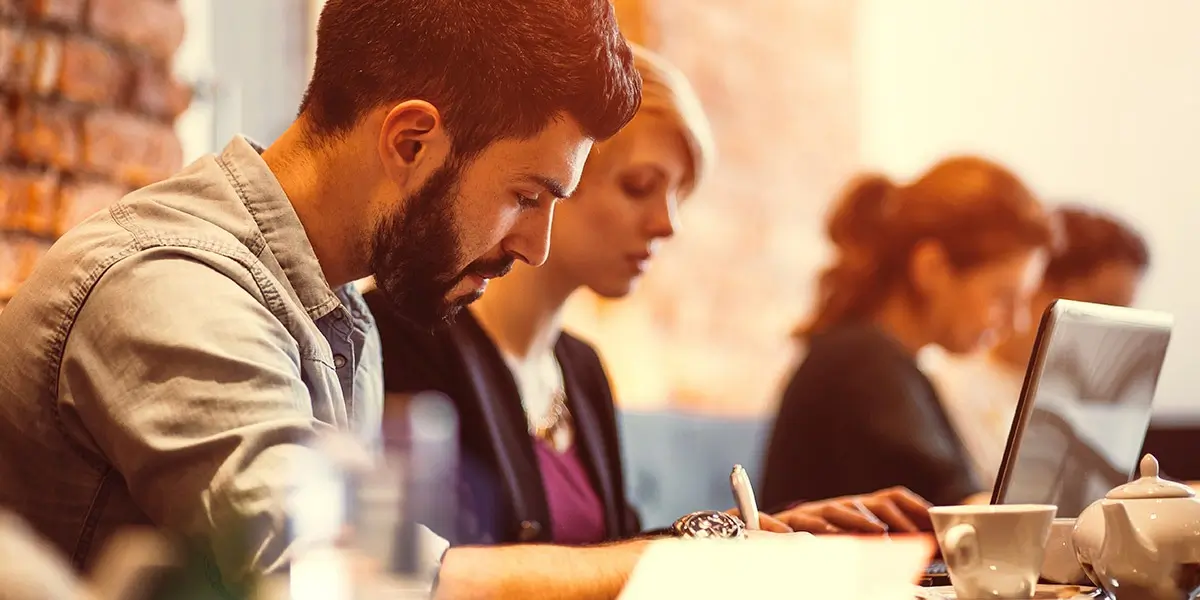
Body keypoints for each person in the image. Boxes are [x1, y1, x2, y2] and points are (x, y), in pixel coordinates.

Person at [0, 0, 685, 596]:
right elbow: (321, 578)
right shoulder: (171, 285)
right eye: (527, 197)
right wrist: (674, 568)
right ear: (411, 141)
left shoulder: (341, 315)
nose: (535, 246)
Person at [364, 44, 933, 547]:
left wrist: (762, 533)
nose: (668, 225)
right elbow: (443, 574)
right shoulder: (408, 333)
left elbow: (611, 556)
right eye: (640, 188)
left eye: (680, 195)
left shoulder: (580, 370)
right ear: (560, 174)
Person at [760, 156, 1057, 510]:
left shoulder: (884, 360)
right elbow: (962, 513)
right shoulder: (863, 363)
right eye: (1003, 296)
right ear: (931, 267)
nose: (1019, 322)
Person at [922, 204, 1150, 487]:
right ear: (1040, 286)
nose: (1114, 331)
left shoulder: (1083, 396)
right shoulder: (944, 380)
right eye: (1103, 305)